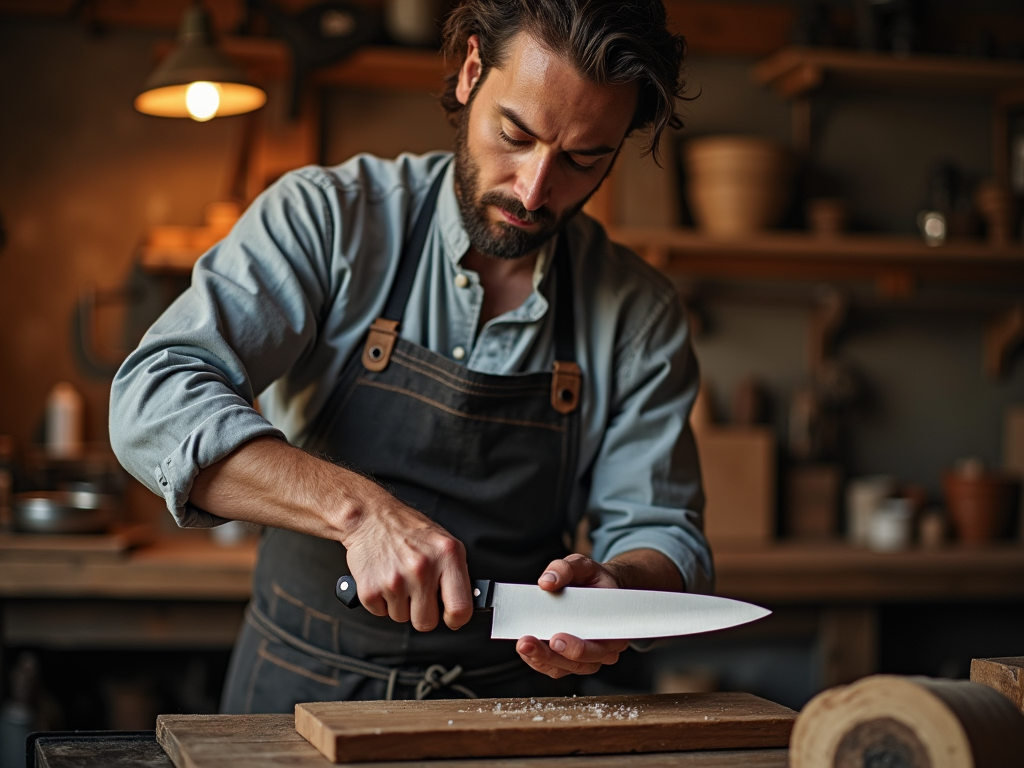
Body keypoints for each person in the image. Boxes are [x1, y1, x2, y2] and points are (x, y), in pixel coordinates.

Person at [110, 0, 712, 712]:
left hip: (507, 709)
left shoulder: (639, 314)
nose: (534, 189)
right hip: (296, 689)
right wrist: (358, 514)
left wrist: (621, 589)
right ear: (469, 72)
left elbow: (664, 534)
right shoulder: (327, 218)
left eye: (584, 159)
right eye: (515, 134)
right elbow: (153, 398)